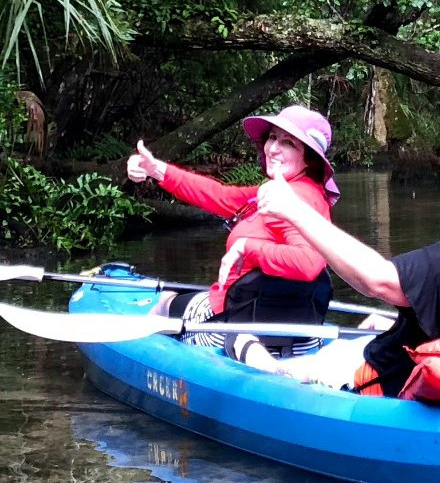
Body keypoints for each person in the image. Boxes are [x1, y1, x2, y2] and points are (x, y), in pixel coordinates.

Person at [224, 113, 440, 397]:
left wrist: (295, 211)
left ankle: (269, 365)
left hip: (390, 379)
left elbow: (378, 281)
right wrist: (408, 322)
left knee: (241, 342)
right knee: (377, 327)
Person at [126, 105, 340, 356]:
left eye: (288, 143)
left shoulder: (295, 199)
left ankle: (140, 356)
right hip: (297, 335)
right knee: (183, 296)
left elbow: (309, 264)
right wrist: (156, 169)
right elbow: (220, 196)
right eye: (272, 137)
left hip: (233, 326)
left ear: (310, 159)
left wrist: (247, 247)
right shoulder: (286, 192)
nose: (272, 148)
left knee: (165, 301)